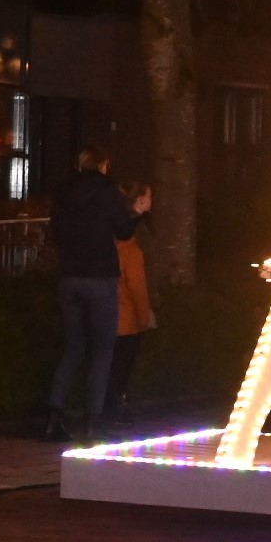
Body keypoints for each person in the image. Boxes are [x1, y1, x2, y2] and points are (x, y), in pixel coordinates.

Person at [44, 146, 150, 442]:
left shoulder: (63, 191)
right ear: (104, 164)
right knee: (103, 352)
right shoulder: (108, 192)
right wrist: (136, 217)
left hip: (69, 277)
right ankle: (92, 422)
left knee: (73, 348)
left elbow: (56, 232)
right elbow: (124, 231)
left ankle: (54, 416)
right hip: (100, 278)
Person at [105, 180, 155, 426]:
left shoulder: (111, 246)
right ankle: (115, 408)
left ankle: (105, 408)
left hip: (109, 312)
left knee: (109, 363)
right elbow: (137, 286)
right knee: (122, 366)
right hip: (127, 319)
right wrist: (144, 317)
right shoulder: (132, 249)